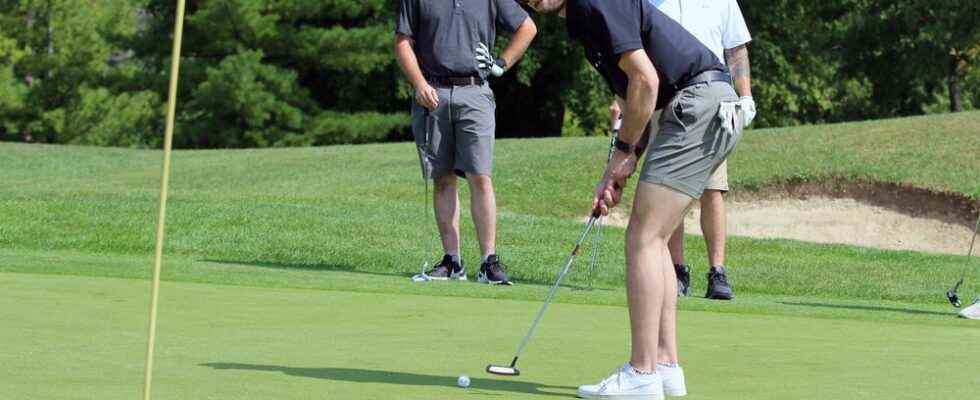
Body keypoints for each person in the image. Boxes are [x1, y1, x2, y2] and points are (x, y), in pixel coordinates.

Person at [524, 0, 745, 398]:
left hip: (696, 102)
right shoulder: (582, 21)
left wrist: (624, 154)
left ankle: (641, 373)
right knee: (654, 237)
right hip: (705, 103)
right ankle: (664, 367)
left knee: (642, 238)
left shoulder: (595, 4)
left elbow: (646, 81)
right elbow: (634, 99)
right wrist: (619, 166)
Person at [609, 0, 756, 300]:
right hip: (663, 101)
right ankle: (677, 270)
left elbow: (736, 50)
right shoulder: (645, 3)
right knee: (666, 186)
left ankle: (717, 271)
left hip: (710, 103)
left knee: (712, 191)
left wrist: (746, 96)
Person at [394, 0, 537, 285]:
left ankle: (489, 262)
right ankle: (452, 261)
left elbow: (527, 27)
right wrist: (419, 83)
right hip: (432, 92)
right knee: (443, 178)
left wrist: (501, 63)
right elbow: (402, 41)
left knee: (480, 176)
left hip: (475, 92)